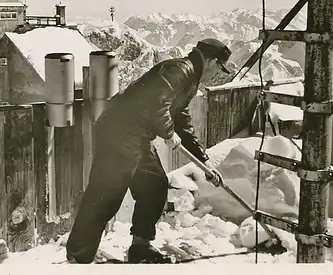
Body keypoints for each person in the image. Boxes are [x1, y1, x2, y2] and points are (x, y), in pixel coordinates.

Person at [66, 38, 232, 264]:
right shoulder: (180, 70)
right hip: (119, 131)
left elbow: (181, 120)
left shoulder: (190, 78)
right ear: (212, 62)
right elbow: (157, 101)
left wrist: (205, 162)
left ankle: (140, 246)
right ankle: (78, 255)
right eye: (219, 69)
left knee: (154, 185)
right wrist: (167, 132)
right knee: (106, 194)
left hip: (138, 136)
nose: (215, 75)